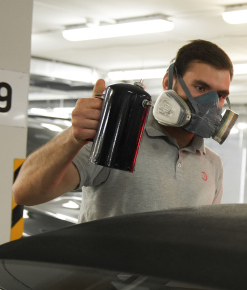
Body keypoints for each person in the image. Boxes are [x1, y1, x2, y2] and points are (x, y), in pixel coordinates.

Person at [13, 40, 234, 223]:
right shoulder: (118, 135)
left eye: (220, 95)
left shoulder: (212, 164)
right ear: (169, 81)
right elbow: (24, 193)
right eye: (200, 88)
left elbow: (204, 234)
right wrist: (73, 136)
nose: (211, 104)